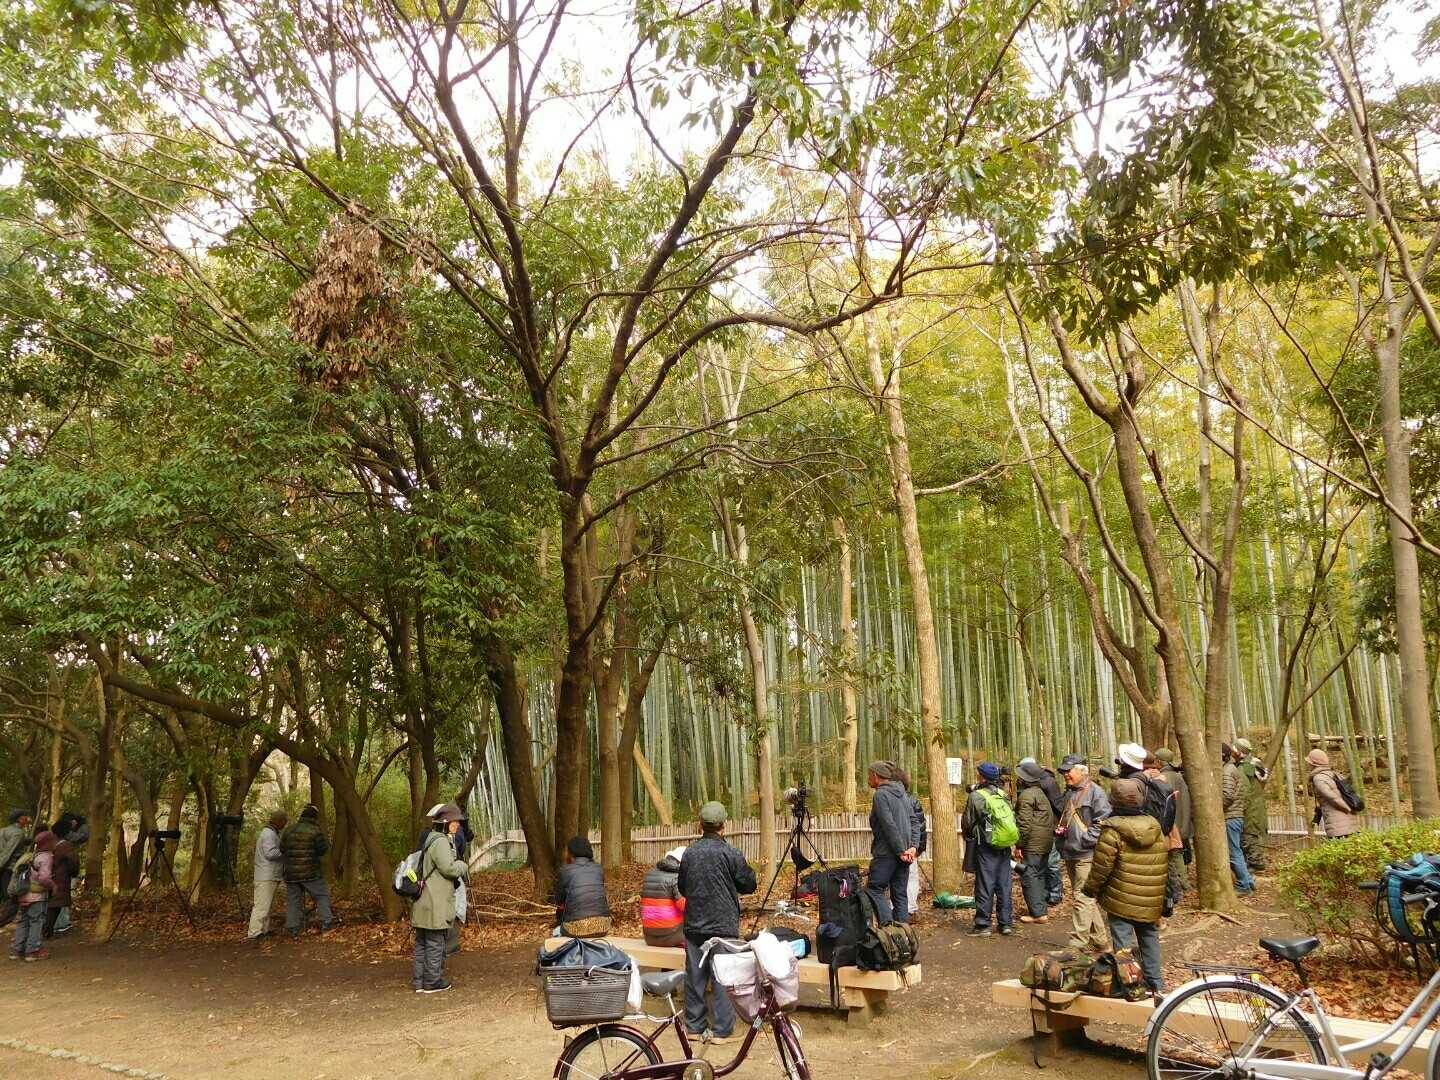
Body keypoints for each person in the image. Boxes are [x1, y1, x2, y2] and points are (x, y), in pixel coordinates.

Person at [677, 802, 757, 1045]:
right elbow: (748, 884)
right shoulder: (731, 853)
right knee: (724, 975)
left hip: (694, 923)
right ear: (724, 825)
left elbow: (683, 887)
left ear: (700, 825)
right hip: (723, 924)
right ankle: (722, 1030)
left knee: (695, 975)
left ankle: (694, 1027)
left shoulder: (690, 853)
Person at [1083, 778, 1167, 993]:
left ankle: (1130, 987)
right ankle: (1156, 985)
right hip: (1150, 898)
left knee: (1123, 944)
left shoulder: (1112, 830)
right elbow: (1163, 863)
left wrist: (1090, 888)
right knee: (1150, 939)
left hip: (1120, 898)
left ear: (1113, 802)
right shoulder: (1155, 826)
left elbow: (1102, 866)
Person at [1056, 754, 1112, 953]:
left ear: (1082, 771)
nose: (1065, 774)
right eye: (1064, 771)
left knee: (1082, 897)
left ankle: (1078, 943)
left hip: (1086, 854)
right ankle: (1100, 941)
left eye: (1068, 770)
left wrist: (1086, 840)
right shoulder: (1069, 793)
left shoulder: (1096, 792)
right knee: (1084, 896)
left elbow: (1103, 821)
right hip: (1071, 851)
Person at [411, 803, 467, 993]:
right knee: (435, 943)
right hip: (435, 901)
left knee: (422, 943)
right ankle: (432, 982)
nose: (457, 825)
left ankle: (419, 982)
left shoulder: (429, 838)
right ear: (444, 822)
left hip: (424, 900)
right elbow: (448, 868)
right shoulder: (441, 841)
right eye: (454, 822)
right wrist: (462, 865)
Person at [963, 761, 1015, 937]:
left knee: (985, 884)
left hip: (986, 845)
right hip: (1005, 844)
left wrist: (970, 836)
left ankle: (983, 925)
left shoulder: (976, 796)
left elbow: (968, 823)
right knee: (1004, 884)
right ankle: (1005, 924)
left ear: (981, 776)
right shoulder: (1003, 794)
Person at [865, 761, 917, 923]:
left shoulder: (880, 795)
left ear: (875, 775)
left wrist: (901, 850)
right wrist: (912, 847)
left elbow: (888, 824)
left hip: (887, 853)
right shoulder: (902, 793)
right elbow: (914, 821)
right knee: (899, 893)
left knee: (874, 888)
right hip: (905, 852)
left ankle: (888, 929)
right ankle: (902, 933)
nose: (868, 779)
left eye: (869, 775)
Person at [281, 804, 336, 935]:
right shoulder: (315, 831)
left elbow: (282, 849)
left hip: (291, 874)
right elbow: (322, 850)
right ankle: (326, 922)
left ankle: (292, 928)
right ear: (314, 818)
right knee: (321, 895)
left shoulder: (288, 830)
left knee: (293, 900)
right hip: (311, 873)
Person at [1019, 756, 1065, 906]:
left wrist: (1059, 824)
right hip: (1039, 829)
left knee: (1051, 863)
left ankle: (1055, 893)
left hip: (1049, 827)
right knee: (1043, 865)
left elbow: (1058, 804)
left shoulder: (1047, 782)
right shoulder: (1026, 784)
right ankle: (1045, 893)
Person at [1014, 761, 1056, 924]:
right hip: (1045, 842)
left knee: (1030, 876)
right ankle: (1041, 910)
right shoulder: (1040, 793)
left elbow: (1024, 824)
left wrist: (1019, 844)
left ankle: (1038, 914)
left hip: (1033, 844)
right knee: (1039, 875)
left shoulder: (1026, 795)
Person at [9, 830, 55, 961]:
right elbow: (44, 878)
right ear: (47, 843)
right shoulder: (45, 857)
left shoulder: (29, 856)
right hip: (37, 897)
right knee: (36, 922)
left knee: (24, 921)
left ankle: (17, 950)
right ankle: (32, 950)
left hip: (23, 894)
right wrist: (53, 886)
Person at [553, 836, 611, 938]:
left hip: (576, 928)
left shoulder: (565, 870)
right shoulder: (598, 869)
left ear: (571, 853)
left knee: (555, 932)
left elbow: (559, 900)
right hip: (603, 926)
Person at [1154, 748, 1192, 894]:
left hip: (1171, 824)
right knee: (1179, 853)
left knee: (1175, 855)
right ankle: (1182, 883)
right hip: (1182, 822)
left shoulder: (1163, 778)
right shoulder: (1179, 777)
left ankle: (1182, 885)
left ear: (1160, 762)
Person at [1221, 744, 1256, 895]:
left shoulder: (1227, 771)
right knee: (1237, 851)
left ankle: (1243, 886)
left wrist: (1215, 808)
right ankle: (1248, 881)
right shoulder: (1231, 769)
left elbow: (1227, 795)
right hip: (1235, 816)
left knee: (1234, 853)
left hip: (1231, 817)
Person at [247, 811, 287, 940]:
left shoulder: (271, 833)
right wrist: (284, 851)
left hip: (270, 875)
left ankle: (264, 930)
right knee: (262, 906)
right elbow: (270, 853)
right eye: (284, 821)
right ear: (278, 821)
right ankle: (254, 932)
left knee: (267, 905)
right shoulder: (268, 834)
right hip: (265, 875)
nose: (285, 824)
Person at [1307, 748, 1359, 839]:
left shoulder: (1319, 778)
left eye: (1309, 762)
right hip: (1350, 823)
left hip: (1338, 826)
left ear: (1314, 763)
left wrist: (1347, 809)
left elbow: (1333, 798)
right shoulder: (1335, 774)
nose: (1308, 764)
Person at [641, 846, 687, 947]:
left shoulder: (649, 873)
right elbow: (683, 905)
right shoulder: (676, 877)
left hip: (649, 937)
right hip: (670, 937)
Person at [1235, 738, 1269, 871]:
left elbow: (1244, 791)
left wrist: (1239, 807)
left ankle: (1256, 862)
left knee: (1249, 834)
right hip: (1255, 805)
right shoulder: (1253, 764)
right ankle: (1254, 860)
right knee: (1251, 833)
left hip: (1250, 807)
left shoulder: (1245, 767)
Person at [43, 818, 79, 940]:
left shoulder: (51, 844)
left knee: (51, 905)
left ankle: (46, 931)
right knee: (55, 906)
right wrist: (73, 872)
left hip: (49, 877)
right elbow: (73, 862)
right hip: (61, 879)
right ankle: (47, 932)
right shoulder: (66, 846)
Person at [0, 809, 32, 928]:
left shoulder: (3, 830)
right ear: (19, 819)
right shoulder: (18, 833)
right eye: (25, 816)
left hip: (4, 867)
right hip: (9, 868)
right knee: (11, 896)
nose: (27, 819)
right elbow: (8, 852)